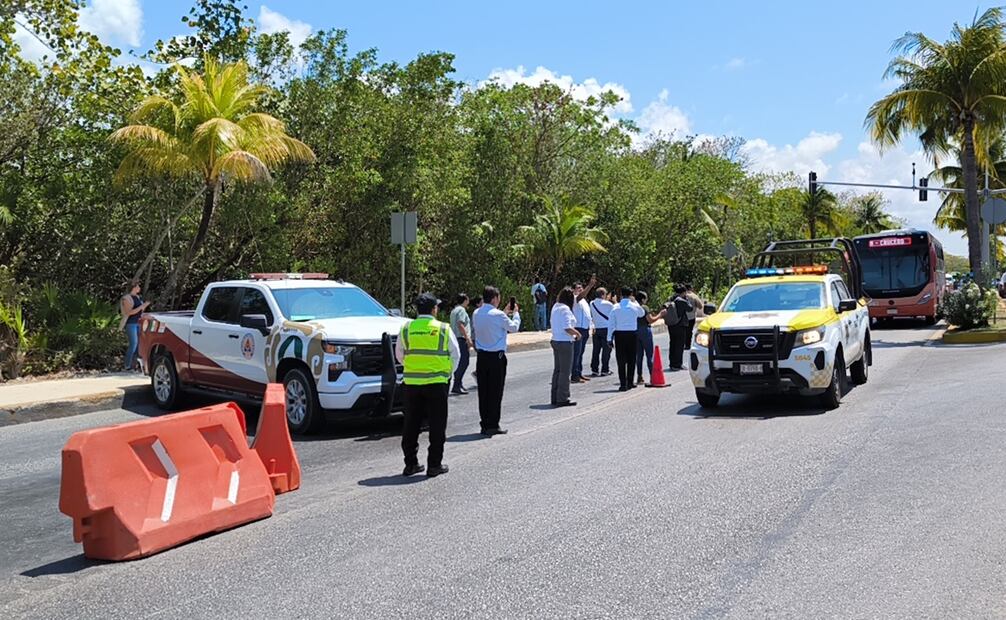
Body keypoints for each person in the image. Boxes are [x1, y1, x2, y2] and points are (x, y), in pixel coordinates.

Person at [396, 293, 460, 478]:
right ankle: (434, 465)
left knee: (411, 424)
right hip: (437, 383)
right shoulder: (443, 329)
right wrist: (447, 373)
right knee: (437, 425)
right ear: (434, 309)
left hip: (412, 384)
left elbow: (399, 354)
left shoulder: (406, 328)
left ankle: (411, 464)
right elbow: (455, 355)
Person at [472, 286, 521, 436]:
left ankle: (485, 423)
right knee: (495, 391)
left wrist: (504, 312)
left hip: (482, 357)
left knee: (484, 392)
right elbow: (513, 328)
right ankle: (493, 423)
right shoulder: (498, 315)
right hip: (496, 357)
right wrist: (516, 314)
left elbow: (493, 321)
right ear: (494, 298)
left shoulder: (476, 313)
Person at [608, 286, 644, 391]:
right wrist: (635, 302)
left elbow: (611, 324)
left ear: (621, 295)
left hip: (619, 334)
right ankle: (630, 382)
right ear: (631, 295)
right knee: (632, 359)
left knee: (621, 360)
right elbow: (641, 314)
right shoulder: (634, 306)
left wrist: (609, 338)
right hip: (632, 334)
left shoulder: (615, 307)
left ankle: (623, 384)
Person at [549, 287, 580, 407]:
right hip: (565, 342)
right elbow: (567, 327)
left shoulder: (556, 307)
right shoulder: (566, 309)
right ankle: (562, 397)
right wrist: (577, 334)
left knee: (557, 370)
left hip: (555, 340)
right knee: (565, 371)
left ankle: (554, 396)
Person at [634, 291, 666, 385]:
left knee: (639, 356)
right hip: (645, 330)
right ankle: (653, 376)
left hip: (635, 331)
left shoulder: (633, 307)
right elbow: (650, 320)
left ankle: (639, 376)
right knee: (649, 355)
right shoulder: (644, 308)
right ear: (643, 299)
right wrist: (660, 314)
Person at [118, 278, 150, 372]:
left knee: (139, 345)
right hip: (130, 323)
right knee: (133, 343)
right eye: (138, 286)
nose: (139, 288)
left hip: (138, 323)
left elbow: (140, 311)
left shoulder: (138, 297)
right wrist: (141, 306)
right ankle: (127, 365)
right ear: (134, 287)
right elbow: (129, 312)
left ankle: (135, 365)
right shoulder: (126, 298)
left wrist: (144, 307)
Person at [570, 276, 596, 383]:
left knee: (580, 352)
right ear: (573, 290)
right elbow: (581, 296)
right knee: (576, 352)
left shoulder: (584, 301)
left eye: (581, 287)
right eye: (578, 288)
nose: (580, 289)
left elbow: (587, 315)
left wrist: (592, 326)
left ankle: (579, 373)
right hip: (578, 329)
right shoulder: (575, 298)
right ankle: (574, 375)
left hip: (585, 328)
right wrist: (590, 285)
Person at [449, 294, 473, 394]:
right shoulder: (462, 310)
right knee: (464, 362)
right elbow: (460, 324)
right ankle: (457, 384)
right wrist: (467, 338)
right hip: (461, 339)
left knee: (459, 362)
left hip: (455, 338)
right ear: (465, 300)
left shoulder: (454, 310)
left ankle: (458, 383)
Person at [666, 285, 692, 371]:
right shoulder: (682, 301)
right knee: (679, 345)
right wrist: (687, 299)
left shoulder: (670, 299)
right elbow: (690, 308)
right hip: (680, 325)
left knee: (672, 344)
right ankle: (678, 364)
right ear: (683, 292)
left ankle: (672, 363)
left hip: (671, 325)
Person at [589, 287, 614, 377]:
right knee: (606, 350)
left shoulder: (591, 303)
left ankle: (594, 369)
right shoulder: (609, 304)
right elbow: (614, 313)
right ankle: (605, 369)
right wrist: (613, 301)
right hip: (606, 329)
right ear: (603, 295)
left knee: (596, 350)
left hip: (596, 329)